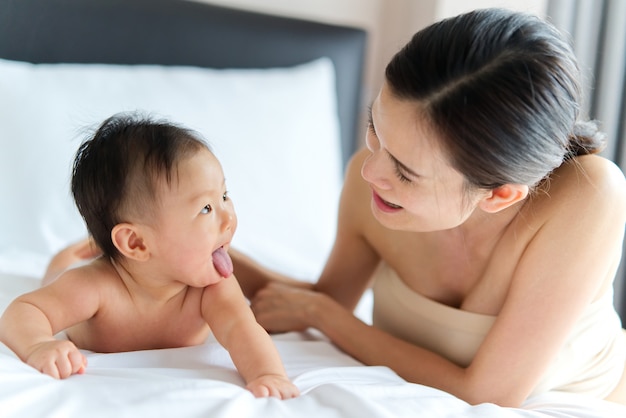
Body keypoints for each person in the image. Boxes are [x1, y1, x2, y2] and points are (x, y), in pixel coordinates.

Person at [231, 8, 626, 407]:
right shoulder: (366, 182)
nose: (369, 171)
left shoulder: (589, 195)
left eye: (404, 172)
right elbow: (316, 301)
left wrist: (326, 318)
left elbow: (488, 394)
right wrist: (209, 253)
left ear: (498, 195)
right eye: (375, 129)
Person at [0, 113, 299, 400]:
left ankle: (91, 244)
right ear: (136, 243)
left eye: (224, 196)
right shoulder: (95, 285)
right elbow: (22, 311)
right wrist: (39, 344)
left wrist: (268, 374)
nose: (229, 218)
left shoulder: (211, 289)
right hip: (77, 273)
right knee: (57, 275)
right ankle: (70, 254)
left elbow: (242, 330)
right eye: (205, 209)